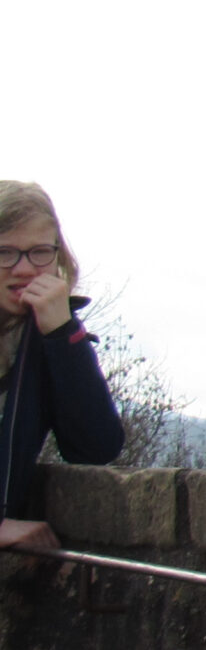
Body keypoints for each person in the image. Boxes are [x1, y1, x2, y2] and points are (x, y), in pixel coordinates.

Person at [0, 181, 125, 551]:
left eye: (39, 252)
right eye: (5, 253)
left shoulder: (37, 336)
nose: (24, 269)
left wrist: (62, 334)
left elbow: (95, 447)